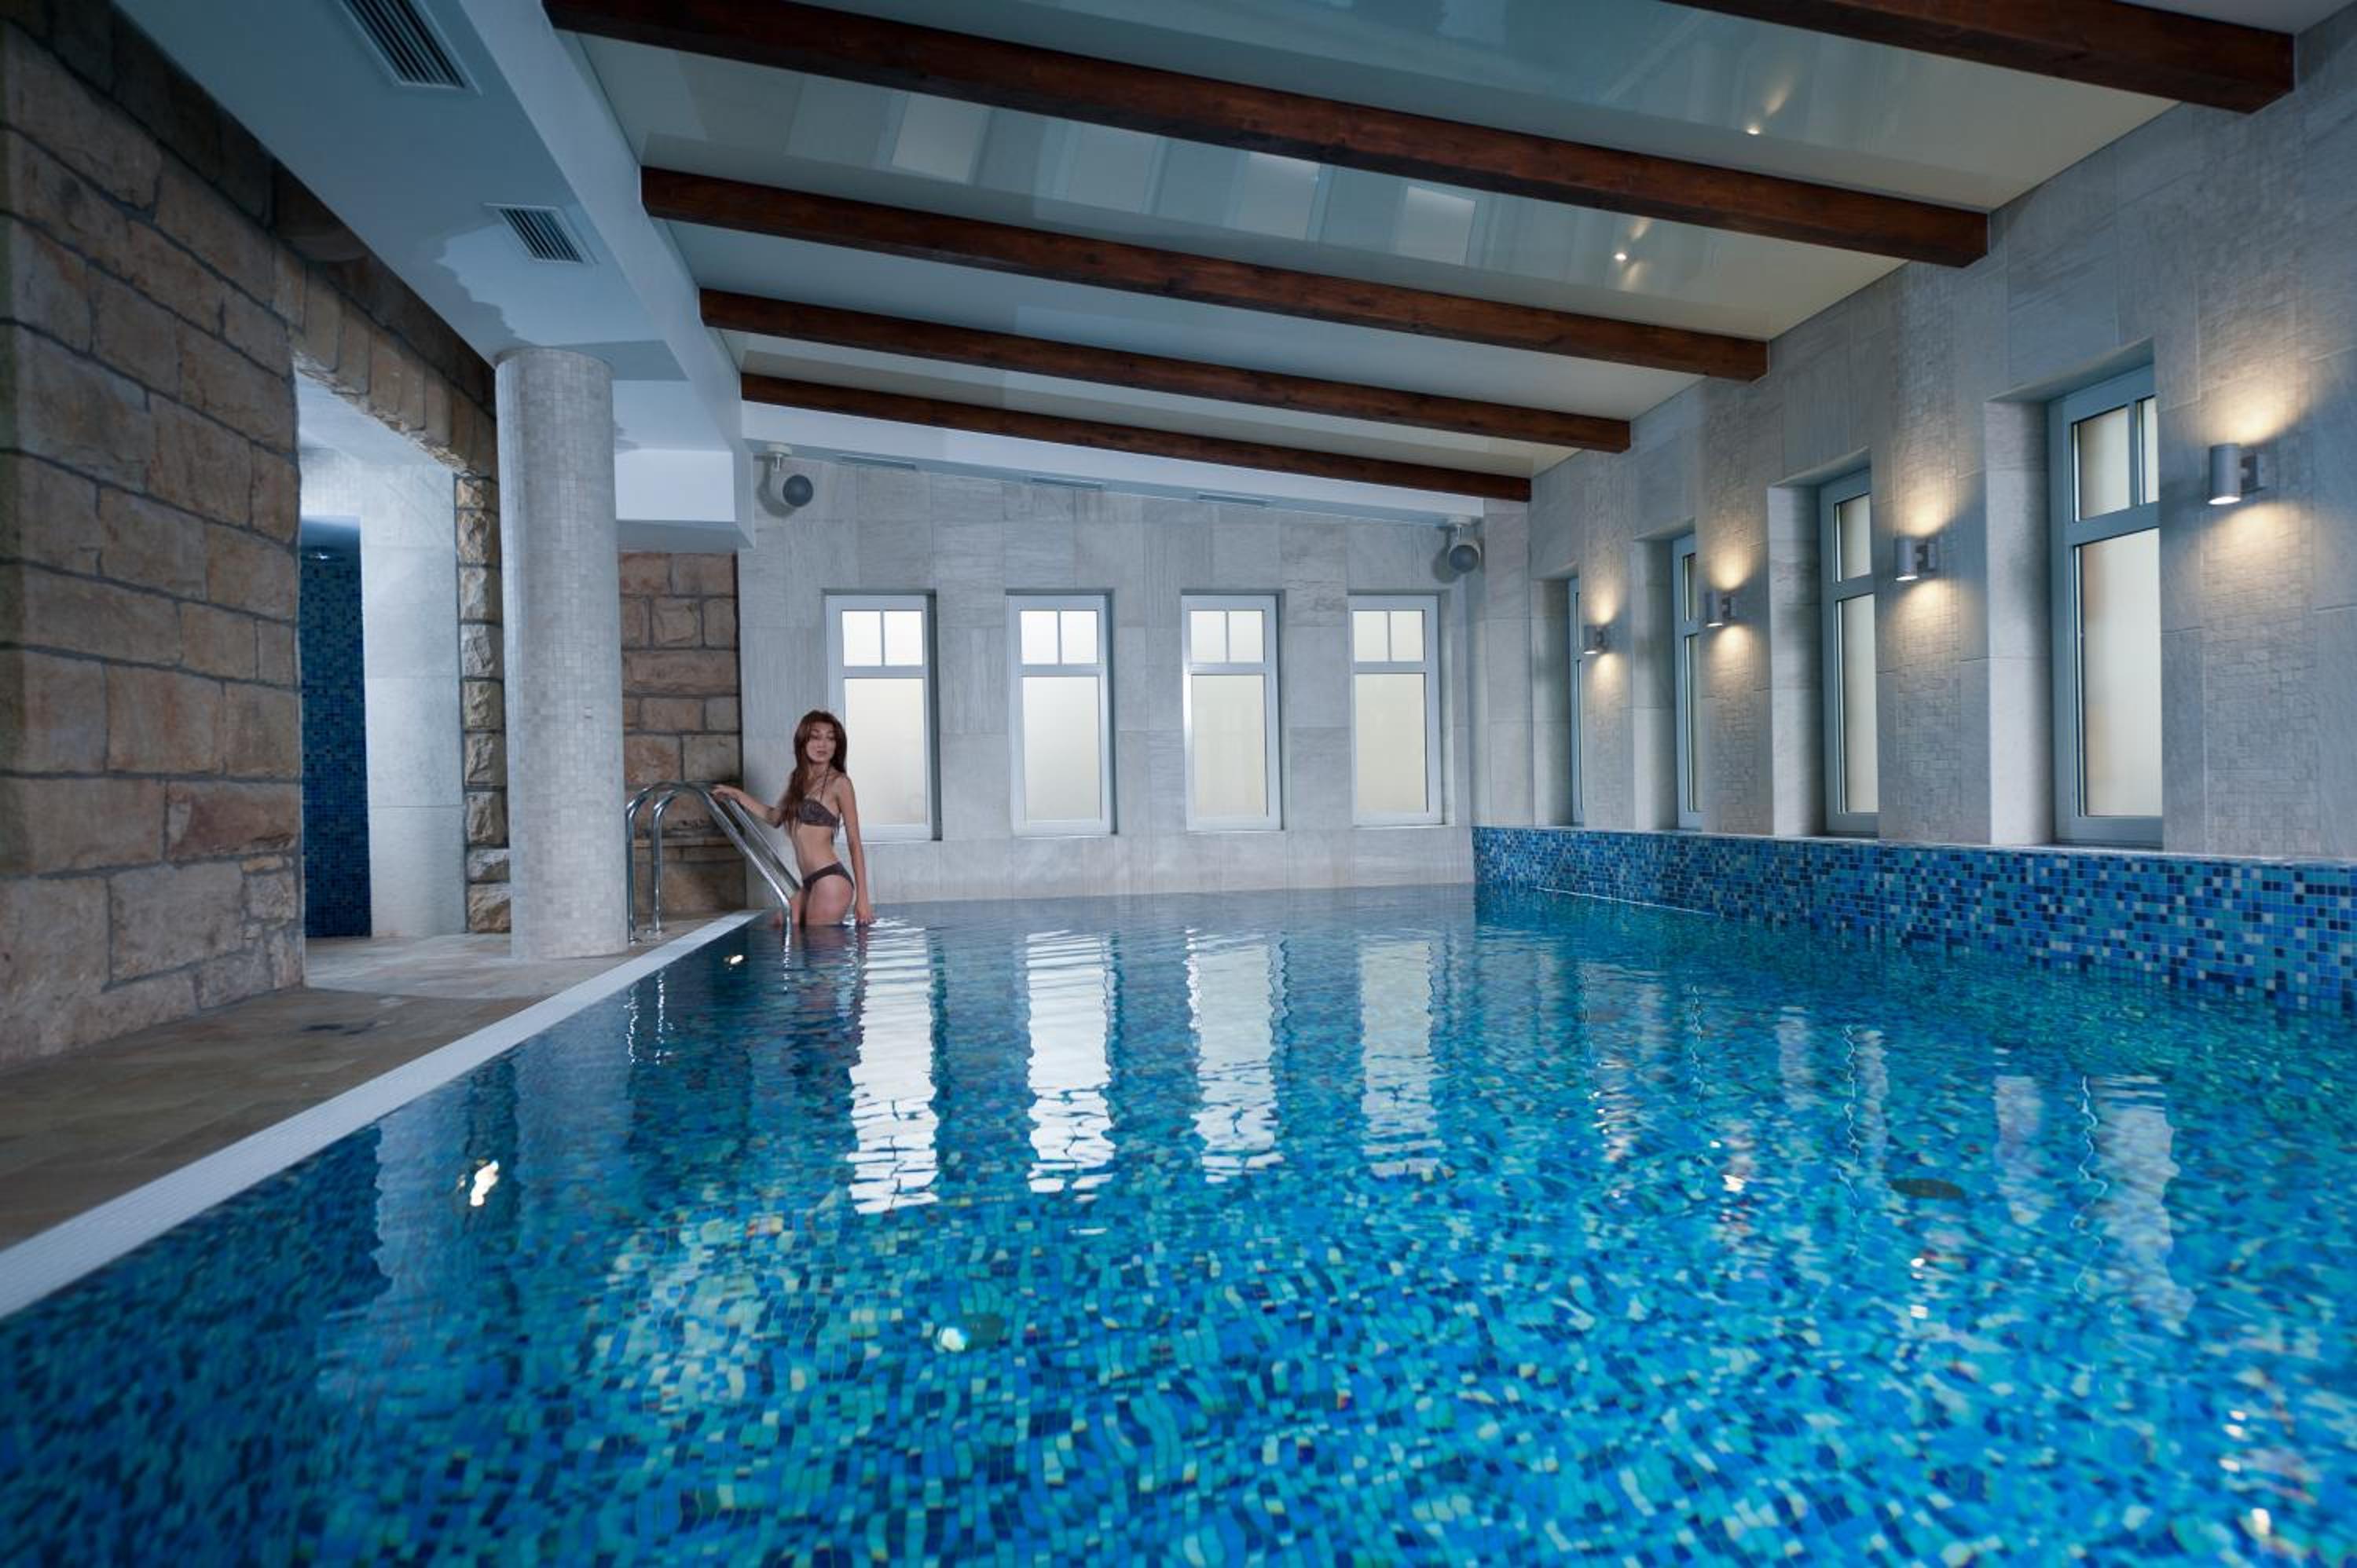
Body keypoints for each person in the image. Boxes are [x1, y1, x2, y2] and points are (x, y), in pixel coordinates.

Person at [714, 709, 874, 929]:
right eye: (815, 737)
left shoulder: (840, 783)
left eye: (830, 738)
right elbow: (774, 818)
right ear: (803, 741)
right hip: (809, 883)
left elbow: (854, 842)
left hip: (831, 880)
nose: (823, 744)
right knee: (781, 926)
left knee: (816, 944)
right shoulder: (798, 779)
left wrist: (863, 899)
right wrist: (738, 796)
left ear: (837, 746)